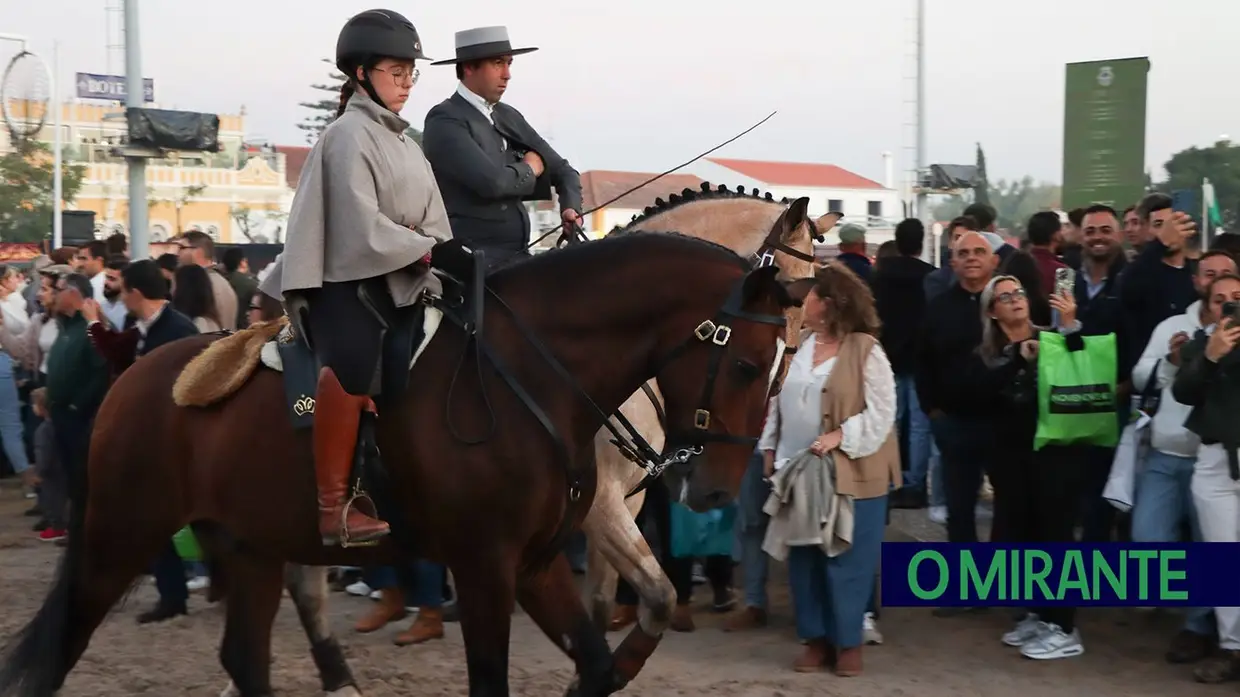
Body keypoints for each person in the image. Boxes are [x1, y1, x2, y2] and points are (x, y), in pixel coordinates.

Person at [259, 9, 453, 548]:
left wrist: (435, 249)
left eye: (411, 73)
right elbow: (359, 226)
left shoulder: (409, 145)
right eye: (397, 71)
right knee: (351, 363)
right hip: (345, 285)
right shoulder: (346, 135)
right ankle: (333, 509)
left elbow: (436, 223)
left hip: (403, 276)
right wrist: (417, 244)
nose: (407, 83)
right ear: (363, 73)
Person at [759, 262, 899, 676]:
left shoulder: (866, 350)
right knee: (804, 558)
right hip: (797, 470)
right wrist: (770, 445)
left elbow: (883, 412)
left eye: (810, 296)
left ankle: (848, 642)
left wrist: (842, 435)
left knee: (847, 559)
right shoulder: (798, 343)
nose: (803, 302)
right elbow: (776, 399)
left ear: (832, 303)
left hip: (854, 472)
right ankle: (816, 639)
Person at [973, 274, 1088, 660]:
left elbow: (1081, 366)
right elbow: (980, 393)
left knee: (1057, 537)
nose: (1016, 300)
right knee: (1029, 537)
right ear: (992, 310)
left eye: (1020, 292)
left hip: (1056, 454)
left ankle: (1065, 627)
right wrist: (1017, 361)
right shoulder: (988, 353)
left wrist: (1070, 325)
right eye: (1005, 296)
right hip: (1013, 459)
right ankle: (1041, 614)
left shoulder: (1052, 336)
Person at [423, 26, 582, 268]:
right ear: (468, 67)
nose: (507, 74)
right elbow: (492, 183)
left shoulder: (509, 116)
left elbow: (564, 171)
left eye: (509, 63)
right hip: (472, 262)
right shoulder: (444, 120)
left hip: (518, 258)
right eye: (498, 63)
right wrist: (531, 168)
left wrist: (571, 208)